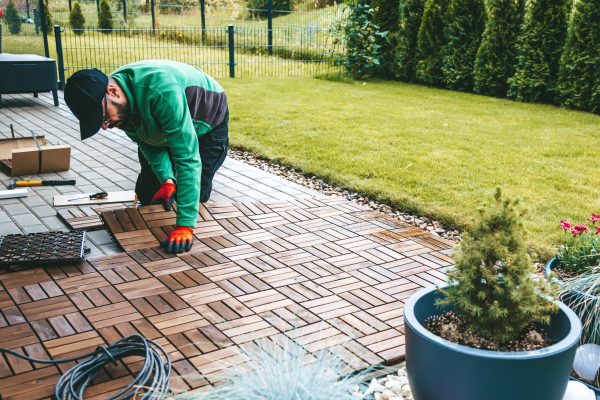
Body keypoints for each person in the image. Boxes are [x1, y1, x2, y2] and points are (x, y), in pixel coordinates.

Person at [64, 60, 229, 254]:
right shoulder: (121, 102)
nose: (105, 126)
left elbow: (187, 158)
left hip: (207, 122)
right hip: (165, 121)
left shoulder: (161, 91)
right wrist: (167, 180)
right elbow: (147, 143)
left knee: (195, 191)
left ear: (113, 92)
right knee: (150, 191)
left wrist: (185, 226)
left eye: (104, 118)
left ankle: (188, 227)